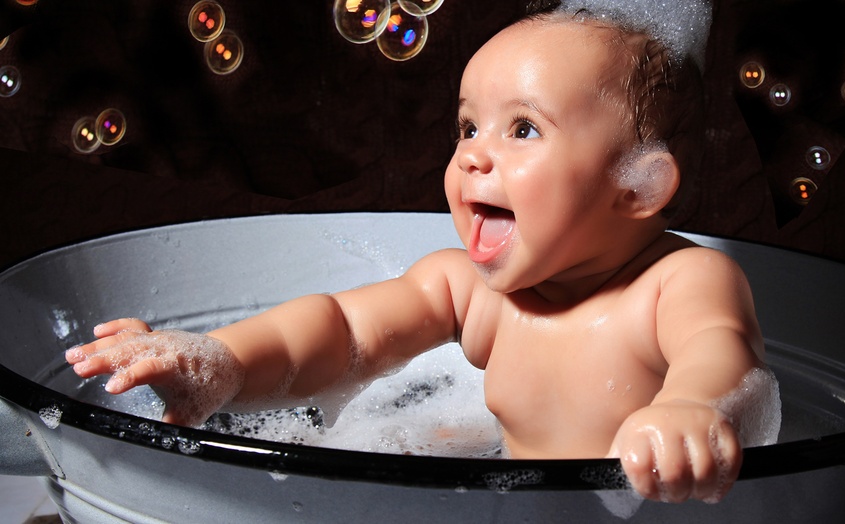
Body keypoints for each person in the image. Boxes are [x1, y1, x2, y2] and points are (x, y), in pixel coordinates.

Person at [66, 0, 780, 504]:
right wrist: (221, 359)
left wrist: (694, 410)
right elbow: (341, 334)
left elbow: (722, 355)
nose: (474, 157)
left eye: (523, 129)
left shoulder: (680, 281)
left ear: (637, 184)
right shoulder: (473, 291)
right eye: (469, 128)